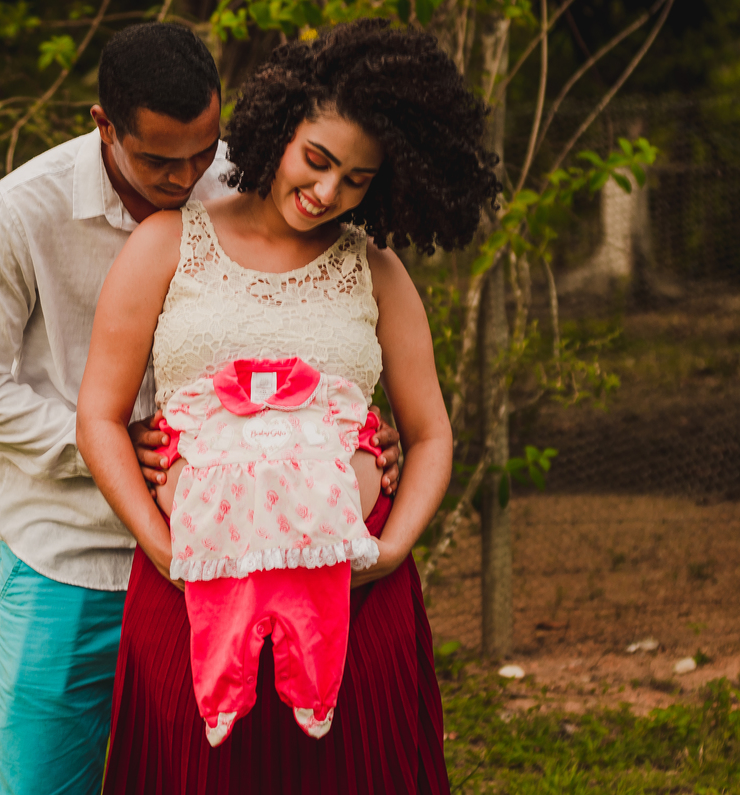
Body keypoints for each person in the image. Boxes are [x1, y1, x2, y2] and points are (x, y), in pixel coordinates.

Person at [0, 23, 398, 795]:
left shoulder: (250, 179)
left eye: (202, 151)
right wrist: (110, 444)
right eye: (158, 160)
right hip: (71, 553)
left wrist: (351, 435)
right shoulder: (21, 210)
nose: (187, 176)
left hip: (235, 558)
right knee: (44, 779)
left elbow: (312, 314)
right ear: (104, 125)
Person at [77, 19, 500, 793]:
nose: (328, 192)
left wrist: (392, 550)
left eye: (358, 179)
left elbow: (431, 433)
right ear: (280, 129)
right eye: (318, 159)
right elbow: (99, 416)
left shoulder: (375, 270)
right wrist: (164, 550)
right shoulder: (168, 243)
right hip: (193, 585)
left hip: (352, 596)